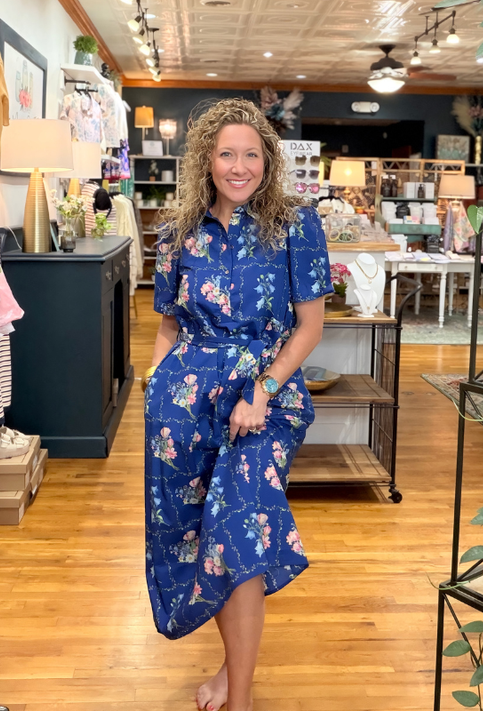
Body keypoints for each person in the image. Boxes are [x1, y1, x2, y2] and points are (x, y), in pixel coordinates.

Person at [143, 98, 333, 711]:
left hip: (265, 398)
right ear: (207, 160)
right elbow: (169, 326)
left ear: (269, 162)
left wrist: (263, 390)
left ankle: (241, 698)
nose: (240, 165)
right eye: (227, 153)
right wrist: (155, 379)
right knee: (203, 536)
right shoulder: (179, 232)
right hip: (185, 404)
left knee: (236, 530)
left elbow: (310, 328)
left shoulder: (297, 226)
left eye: (252, 154)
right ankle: (231, 670)